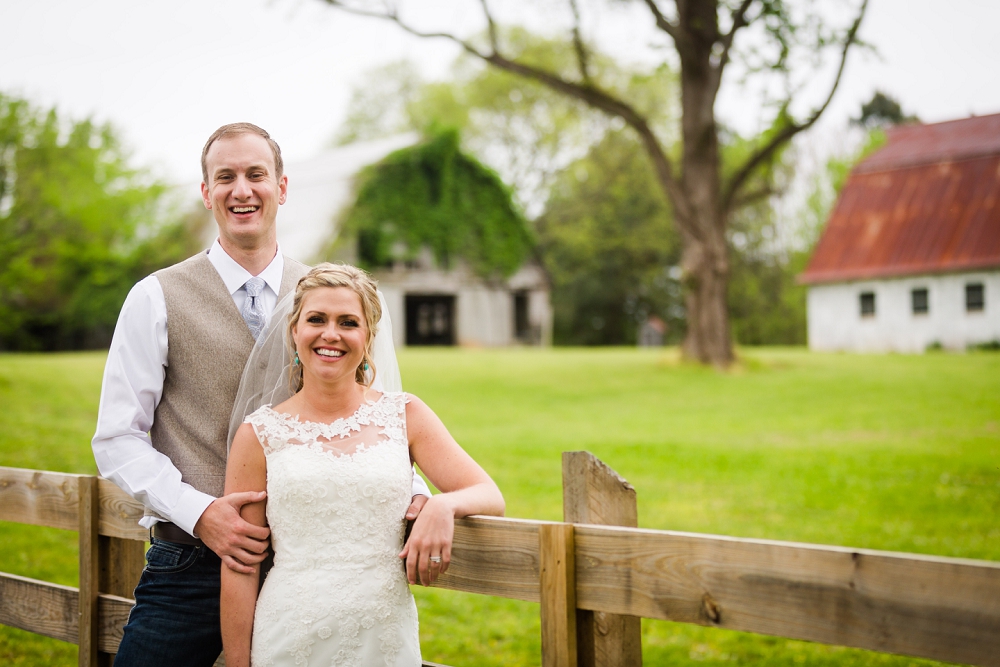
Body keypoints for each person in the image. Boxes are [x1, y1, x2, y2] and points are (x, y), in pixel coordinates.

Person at [91, 123, 431, 667]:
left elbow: (371, 416)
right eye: (225, 177)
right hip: (191, 568)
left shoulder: (325, 294)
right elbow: (116, 439)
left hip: (311, 573)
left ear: (283, 186)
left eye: (256, 175)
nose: (241, 190)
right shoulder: (155, 296)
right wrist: (203, 514)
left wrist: (419, 493)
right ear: (206, 192)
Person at [221, 263, 504, 667]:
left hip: (384, 637)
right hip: (290, 636)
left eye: (348, 322)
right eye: (316, 319)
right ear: (294, 331)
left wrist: (443, 505)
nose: (330, 334)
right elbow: (240, 564)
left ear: (369, 336)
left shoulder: (405, 415)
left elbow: (488, 494)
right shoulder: (259, 433)